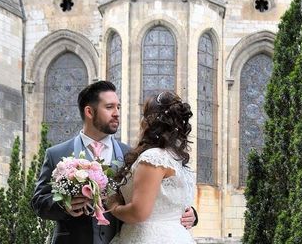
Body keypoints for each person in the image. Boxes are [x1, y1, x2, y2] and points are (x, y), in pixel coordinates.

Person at [31, 81, 196, 244]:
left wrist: (189, 214)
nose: (117, 113)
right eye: (109, 107)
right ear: (89, 111)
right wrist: (64, 206)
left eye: (118, 107)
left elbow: (157, 196)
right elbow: (38, 202)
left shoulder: (133, 155)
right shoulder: (57, 154)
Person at [106, 90, 196, 244]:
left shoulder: (153, 158)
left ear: (148, 122)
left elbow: (138, 213)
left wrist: (112, 206)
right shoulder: (177, 159)